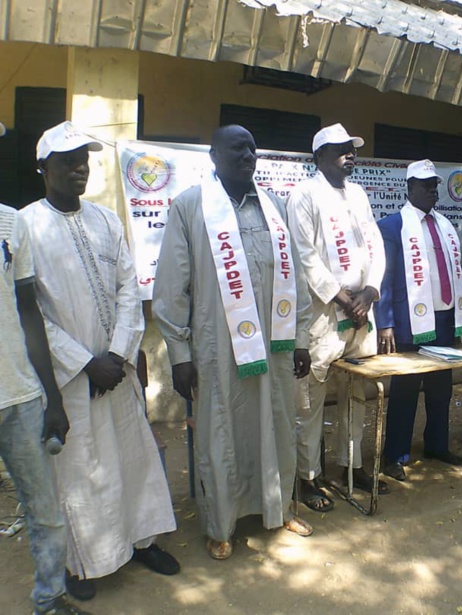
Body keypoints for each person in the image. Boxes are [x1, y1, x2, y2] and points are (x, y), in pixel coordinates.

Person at [21, 121, 178, 599]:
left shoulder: (106, 220)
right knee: (80, 469)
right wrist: (86, 363)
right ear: (42, 168)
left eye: (84, 159)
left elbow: (129, 289)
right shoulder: (26, 226)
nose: (79, 167)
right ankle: (81, 563)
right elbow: (30, 314)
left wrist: (116, 354)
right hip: (70, 377)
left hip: (116, 369)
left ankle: (143, 540)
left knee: (133, 459)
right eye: (68, 161)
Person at [153, 125, 314, 560]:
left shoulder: (275, 207)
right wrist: (179, 354)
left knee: (278, 425)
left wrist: (300, 338)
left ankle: (279, 509)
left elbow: (296, 278)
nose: (247, 155)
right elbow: (171, 287)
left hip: (275, 348)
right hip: (218, 349)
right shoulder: (191, 207)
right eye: (237, 148)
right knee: (221, 431)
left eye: (252, 149)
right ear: (214, 155)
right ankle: (221, 525)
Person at [286, 123, 387, 512]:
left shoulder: (358, 193)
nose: (351, 155)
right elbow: (305, 256)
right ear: (319, 157)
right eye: (341, 149)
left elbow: (374, 243)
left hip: (361, 314)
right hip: (325, 313)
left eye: (352, 149)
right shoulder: (303, 195)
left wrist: (371, 291)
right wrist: (345, 300)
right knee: (310, 401)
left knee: (356, 393)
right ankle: (308, 477)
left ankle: (351, 466)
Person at [0, 196, 89, 615]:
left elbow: (27, 309)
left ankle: (50, 601)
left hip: (19, 395)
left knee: (46, 513)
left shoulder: (9, 222)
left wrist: (52, 396)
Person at [374, 160, 462, 481]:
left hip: (444, 320)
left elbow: (455, 273)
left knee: (441, 388)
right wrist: (385, 323)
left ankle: (437, 445)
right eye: (425, 185)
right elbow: (384, 279)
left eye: (435, 185)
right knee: (405, 390)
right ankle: (395, 454)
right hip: (409, 323)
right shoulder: (392, 226)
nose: (432, 191)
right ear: (410, 187)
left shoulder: (445, 226)